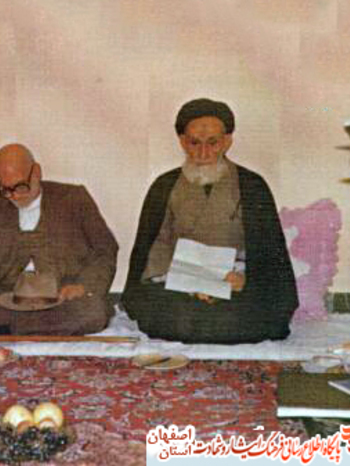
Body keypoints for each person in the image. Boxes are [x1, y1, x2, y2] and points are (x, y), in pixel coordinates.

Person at [122, 98, 298, 344]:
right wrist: (185, 282)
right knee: (170, 315)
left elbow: (269, 250)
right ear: (182, 141)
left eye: (213, 142)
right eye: (195, 143)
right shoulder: (164, 185)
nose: (203, 152)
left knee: (256, 315)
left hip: (235, 282)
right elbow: (155, 248)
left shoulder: (252, 185)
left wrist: (243, 280)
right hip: (180, 284)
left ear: (227, 141)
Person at [0, 143, 118, 335]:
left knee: (93, 310)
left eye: (20, 186)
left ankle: (3, 328)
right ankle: (36, 329)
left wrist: (83, 286)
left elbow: (105, 248)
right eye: (6, 189)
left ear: (37, 172)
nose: (14, 196)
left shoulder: (74, 198)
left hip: (61, 296)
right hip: (8, 295)